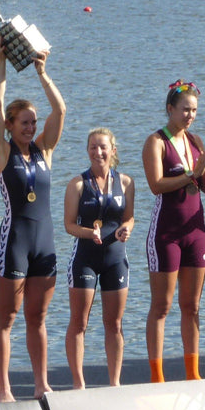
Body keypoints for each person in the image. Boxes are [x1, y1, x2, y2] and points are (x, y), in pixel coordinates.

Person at [0, 35, 65, 402]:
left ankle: (40, 384)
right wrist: (1, 62)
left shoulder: (44, 150)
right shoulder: (0, 152)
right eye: (24, 122)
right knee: (7, 317)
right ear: (9, 125)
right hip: (14, 242)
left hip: (44, 243)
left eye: (33, 122)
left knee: (38, 318)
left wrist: (42, 73)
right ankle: (4, 389)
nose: (31, 127)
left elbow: (60, 111)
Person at [143, 80, 205, 383]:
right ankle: (156, 374)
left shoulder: (195, 140)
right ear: (170, 109)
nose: (190, 115)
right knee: (162, 306)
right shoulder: (156, 142)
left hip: (195, 231)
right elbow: (156, 185)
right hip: (166, 233)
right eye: (185, 110)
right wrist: (192, 173)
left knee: (192, 305)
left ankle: (192, 372)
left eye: (194, 110)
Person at [63, 128, 135, 388]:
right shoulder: (78, 184)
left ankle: (115, 383)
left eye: (103, 147)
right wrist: (88, 233)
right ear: (87, 151)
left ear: (112, 150)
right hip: (85, 258)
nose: (98, 152)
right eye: (93, 147)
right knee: (79, 322)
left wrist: (127, 229)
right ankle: (78, 383)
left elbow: (129, 217)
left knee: (114, 324)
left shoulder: (125, 182)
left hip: (115, 258)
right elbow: (69, 225)